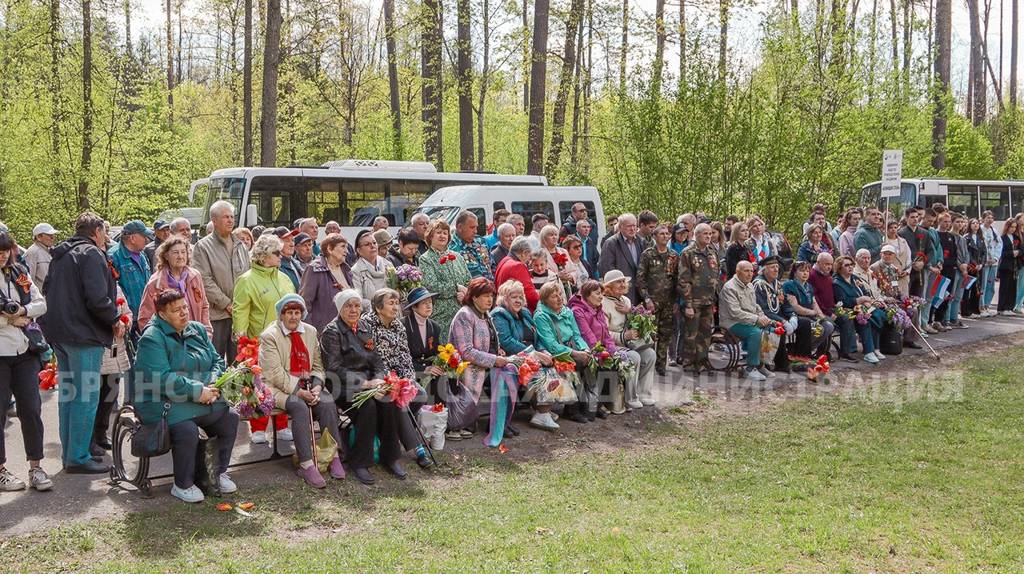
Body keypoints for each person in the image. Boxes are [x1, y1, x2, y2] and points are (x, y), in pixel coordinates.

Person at [132, 290, 239, 503]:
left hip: (199, 396)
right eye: (176, 310)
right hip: (160, 403)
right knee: (186, 428)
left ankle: (217, 472)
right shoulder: (152, 338)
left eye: (185, 307)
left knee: (229, 418)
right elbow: (161, 379)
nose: (183, 313)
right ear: (162, 314)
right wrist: (198, 390)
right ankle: (182, 484)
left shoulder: (197, 329)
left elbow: (218, 361)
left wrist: (211, 384)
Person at [39, 212, 119, 474]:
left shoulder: (61, 255)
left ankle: (71, 453)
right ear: (96, 232)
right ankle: (78, 456)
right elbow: (97, 299)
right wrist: (114, 318)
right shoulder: (91, 254)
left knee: (69, 395)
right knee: (85, 396)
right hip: (83, 334)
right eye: (104, 231)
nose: (106, 236)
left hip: (59, 333)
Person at [259, 294, 344, 487]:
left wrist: (317, 385)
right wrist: (299, 391)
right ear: (281, 315)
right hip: (277, 387)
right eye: (289, 313)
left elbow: (318, 365)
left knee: (328, 402)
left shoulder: (310, 331)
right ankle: (306, 464)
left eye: (297, 312)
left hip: (307, 384)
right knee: (299, 407)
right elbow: (274, 373)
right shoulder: (269, 335)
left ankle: (333, 455)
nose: (293, 317)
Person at [322, 289, 405, 485]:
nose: (353, 310)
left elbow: (377, 361)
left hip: (370, 383)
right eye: (348, 306)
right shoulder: (332, 332)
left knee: (389, 401)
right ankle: (360, 462)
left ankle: (390, 457)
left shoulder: (364, 327)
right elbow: (333, 368)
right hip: (342, 386)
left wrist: (380, 382)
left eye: (357, 306)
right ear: (340, 308)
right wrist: (365, 384)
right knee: (367, 407)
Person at [0, 231, 51, 491]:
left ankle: (36, 466)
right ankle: (1, 470)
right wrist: (7, 320)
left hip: (24, 351)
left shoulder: (18, 271)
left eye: (5, 251)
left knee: (31, 409)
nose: (2, 256)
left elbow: (40, 302)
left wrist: (23, 311)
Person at [232, 233, 295, 444]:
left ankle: (282, 424)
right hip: (257, 342)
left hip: (285, 340)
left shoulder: (284, 277)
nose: (281, 255)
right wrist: (242, 339)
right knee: (257, 386)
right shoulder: (246, 280)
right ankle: (258, 427)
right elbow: (240, 310)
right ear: (262, 255)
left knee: (283, 383)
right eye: (276, 252)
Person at [361, 289, 432, 467]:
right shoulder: (366, 325)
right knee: (398, 401)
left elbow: (405, 356)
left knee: (420, 393)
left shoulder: (398, 325)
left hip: (398, 376)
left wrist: (407, 380)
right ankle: (417, 449)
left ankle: (394, 431)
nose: (396, 307)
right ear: (378, 307)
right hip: (376, 379)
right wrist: (390, 382)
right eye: (391, 303)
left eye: (397, 302)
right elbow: (371, 358)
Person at [449, 278, 519, 447]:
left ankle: (501, 422)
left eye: (491, 296)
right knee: (503, 372)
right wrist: (495, 360)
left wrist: (498, 352)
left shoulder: (485, 314)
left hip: (484, 365)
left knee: (510, 372)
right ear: (473, 297)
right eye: (485, 296)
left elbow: (490, 342)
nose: (490, 300)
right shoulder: (464, 315)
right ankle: (469, 423)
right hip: (466, 367)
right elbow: (466, 351)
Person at [490, 280, 559, 429]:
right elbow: (507, 342)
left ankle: (543, 410)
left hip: (530, 354)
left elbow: (536, 337)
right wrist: (534, 354)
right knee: (540, 370)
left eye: (520, 297)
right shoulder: (499, 315)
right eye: (513, 297)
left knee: (554, 365)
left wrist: (543, 351)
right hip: (511, 357)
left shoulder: (525, 313)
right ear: (503, 298)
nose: (518, 300)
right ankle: (542, 413)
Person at [569, 280, 644, 412]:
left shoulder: (597, 309)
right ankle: (601, 403)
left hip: (602, 348)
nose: (601, 297)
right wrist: (603, 353)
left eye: (601, 294)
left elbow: (607, 337)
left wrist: (613, 351)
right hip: (587, 349)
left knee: (622, 359)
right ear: (587, 295)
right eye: (597, 294)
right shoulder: (577, 311)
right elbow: (588, 336)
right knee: (609, 363)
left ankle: (613, 402)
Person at [194, 200, 251, 358]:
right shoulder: (203, 247)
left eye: (232, 217)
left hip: (240, 314)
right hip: (217, 315)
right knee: (216, 361)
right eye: (226, 217)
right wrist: (226, 304)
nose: (230, 220)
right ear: (214, 220)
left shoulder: (241, 246)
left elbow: (248, 275)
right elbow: (204, 280)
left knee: (240, 363)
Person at [534, 281, 595, 422]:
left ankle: (587, 404)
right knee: (577, 364)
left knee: (590, 361)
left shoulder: (567, 311)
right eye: (554, 296)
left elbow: (576, 335)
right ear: (545, 300)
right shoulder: (541, 316)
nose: (560, 298)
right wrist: (575, 353)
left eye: (560, 294)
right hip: (553, 353)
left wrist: (584, 349)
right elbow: (551, 345)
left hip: (571, 348)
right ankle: (571, 409)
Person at [138, 237, 212, 336]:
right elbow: (145, 318)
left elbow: (204, 305)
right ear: (166, 256)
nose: (180, 256)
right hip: (168, 340)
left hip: (196, 336)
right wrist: (158, 340)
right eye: (175, 252)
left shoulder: (195, 276)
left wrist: (206, 331)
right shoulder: (156, 283)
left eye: (183, 252)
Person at [600, 271, 655, 406]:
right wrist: (623, 336)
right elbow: (603, 333)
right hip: (611, 344)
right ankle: (630, 398)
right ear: (608, 286)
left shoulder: (626, 301)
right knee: (633, 357)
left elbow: (632, 322)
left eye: (623, 281)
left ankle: (644, 393)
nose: (622, 284)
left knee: (650, 354)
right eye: (618, 282)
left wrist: (629, 312)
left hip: (629, 341)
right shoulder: (603, 303)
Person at [676, 223, 721, 372]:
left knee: (706, 333)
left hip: (708, 300)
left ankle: (702, 360)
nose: (708, 236)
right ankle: (689, 363)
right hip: (693, 300)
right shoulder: (688, 253)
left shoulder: (712, 251)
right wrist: (688, 304)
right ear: (696, 235)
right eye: (705, 234)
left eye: (710, 234)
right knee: (691, 334)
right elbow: (684, 280)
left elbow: (716, 273)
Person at [719, 260, 773, 381]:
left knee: (770, 329)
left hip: (747, 320)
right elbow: (735, 312)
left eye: (751, 271)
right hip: (731, 322)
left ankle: (760, 364)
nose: (750, 274)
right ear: (737, 272)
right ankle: (750, 368)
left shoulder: (749, 285)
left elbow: (755, 306)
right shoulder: (730, 287)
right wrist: (756, 319)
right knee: (755, 332)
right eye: (746, 271)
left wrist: (763, 317)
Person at [95, 287, 132, 458]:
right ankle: (91, 438)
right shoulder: (94, 289)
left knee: (111, 393)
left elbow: (127, 311)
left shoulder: (115, 287)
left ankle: (102, 433)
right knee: (96, 396)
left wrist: (125, 322)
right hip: (99, 348)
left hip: (116, 348)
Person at [420, 221, 472, 343]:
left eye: (445, 233)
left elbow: (468, 280)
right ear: (430, 236)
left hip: (462, 310)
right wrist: (456, 289)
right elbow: (431, 286)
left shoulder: (457, 256)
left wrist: (466, 294)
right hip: (441, 314)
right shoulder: (425, 259)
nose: (442, 236)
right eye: (438, 233)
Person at [636, 224, 677, 376]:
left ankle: (661, 365)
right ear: (654, 236)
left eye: (667, 234)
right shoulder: (648, 254)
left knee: (665, 334)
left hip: (668, 302)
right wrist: (646, 298)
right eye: (662, 234)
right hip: (652, 301)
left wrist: (675, 302)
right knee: (650, 335)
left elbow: (676, 279)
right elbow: (640, 279)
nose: (665, 236)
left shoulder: (673, 255)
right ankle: (649, 366)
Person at [832, 256, 885, 364]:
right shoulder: (836, 283)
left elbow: (866, 292)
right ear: (839, 268)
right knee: (865, 320)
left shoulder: (855, 278)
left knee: (878, 314)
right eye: (846, 265)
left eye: (851, 265)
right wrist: (859, 300)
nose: (850, 267)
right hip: (847, 310)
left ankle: (875, 349)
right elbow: (843, 301)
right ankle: (869, 352)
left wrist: (866, 301)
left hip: (862, 307)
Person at [299, 233, 352, 333]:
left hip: (346, 330)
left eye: (347, 247)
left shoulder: (346, 269)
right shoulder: (314, 269)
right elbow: (305, 303)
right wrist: (310, 331)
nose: (347, 251)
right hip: (323, 331)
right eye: (343, 246)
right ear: (329, 249)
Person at [782, 261, 835, 358]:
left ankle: (808, 349)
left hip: (809, 315)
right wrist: (813, 312)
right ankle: (800, 351)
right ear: (794, 272)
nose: (805, 273)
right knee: (819, 329)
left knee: (828, 325)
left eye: (807, 271)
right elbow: (795, 307)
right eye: (802, 271)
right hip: (795, 316)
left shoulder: (808, 286)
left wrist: (821, 316)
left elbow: (814, 302)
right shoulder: (789, 285)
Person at [108, 220, 153, 332]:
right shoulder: (113, 257)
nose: (147, 240)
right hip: (128, 319)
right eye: (144, 236)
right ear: (132, 238)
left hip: (147, 316)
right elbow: (112, 290)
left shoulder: (142, 254)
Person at [752, 256, 794, 372]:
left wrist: (792, 316)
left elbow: (785, 303)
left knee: (804, 323)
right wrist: (783, 321)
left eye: (777, 267)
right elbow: (764, 310)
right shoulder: (759, 284)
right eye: (772, 267)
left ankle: (800, 357)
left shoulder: (776, 283)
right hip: (764, 318)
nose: (776, 270)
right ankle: (781, 363)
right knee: (779, 328)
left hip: (778, 315)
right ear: (764, 269)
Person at [598, 213, 643, 302]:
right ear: (620, 227)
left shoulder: (641, 241)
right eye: (629, 226)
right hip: (620, 292)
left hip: (639, 292)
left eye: (634, 225)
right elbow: (607, 269)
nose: (632, 229)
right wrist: (617, 290)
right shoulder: (611, 243)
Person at [495, 236, 540, 312]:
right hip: (515, 312)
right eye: (529, 256)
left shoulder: (504, 260)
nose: (529, 260)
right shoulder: (517, 266)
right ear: (524, 253)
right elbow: (530, 295)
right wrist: (546, 305)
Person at [404, 287, 442, 373]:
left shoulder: (435, 326)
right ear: (414, 307)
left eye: (430, 302)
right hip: (409, 373)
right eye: (424, 303)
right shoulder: (403, 326)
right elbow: (401, 358)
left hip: (430, 373)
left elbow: (436, 352)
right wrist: (423, 369)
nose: (429, 306)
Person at [450, 210, 493, 280]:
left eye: (476, 227)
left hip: (490, 288)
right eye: (472, 227)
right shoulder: (451, 248)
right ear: (460, 227)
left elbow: (492, 265)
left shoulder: (481, 242)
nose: (475, 231)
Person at [963, 218, 986, 318]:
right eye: (973, 223)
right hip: (970, 267)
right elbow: (967, 252)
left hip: (979, 267)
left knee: (977, 289)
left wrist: (981, 264)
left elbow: (984, 252)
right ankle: (966, 311)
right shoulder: (966, 238)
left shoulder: (980, 238)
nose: (975, 225)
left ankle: (975, 309)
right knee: (968, 289)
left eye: (977, 223)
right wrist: (973, 263)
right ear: (969, 225)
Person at [882, 220, 912, 298]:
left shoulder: (903, 241)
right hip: (890, 275)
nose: (893, 229)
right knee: (892, 297)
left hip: (903, 274)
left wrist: (907, 271)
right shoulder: (884, 241)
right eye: (890, 228)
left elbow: (909, 257)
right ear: (886, 229)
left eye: (895, 227)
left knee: (905, 299)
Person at [24, 222, 58, 288]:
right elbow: (29, 280)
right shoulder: (32, 252)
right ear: (39, 237)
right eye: (49, 235)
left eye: (53, 235)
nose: (53, 238)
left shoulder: (52, 251)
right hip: (41, 296)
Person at [981, 210, 1001, 316]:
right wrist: (985, 259)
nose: (990, 219)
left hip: (993, 262)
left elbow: (999, 245)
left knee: (991, 285)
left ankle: (987, 305)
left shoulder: (995, 231)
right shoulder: (980, 230)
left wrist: (996, 258)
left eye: (991, 218)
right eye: (987, 217)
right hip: (984, 263)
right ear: (983, 218)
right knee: (983, 285)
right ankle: (981, 306)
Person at [998, 219, 1020, 316]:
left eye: (1015, 227)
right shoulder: (1002, 238)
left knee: (1012, 287)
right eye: (1011, 227)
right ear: (1007, 226)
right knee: (1004, 287)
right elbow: (1000, 252)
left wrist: (1018, 252)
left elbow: (1021, 249)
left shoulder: (1016, 237)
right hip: (1005, 266)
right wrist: (1011, 253)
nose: (1013, 229)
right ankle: (1002, 307)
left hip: (1015, 266)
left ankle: (1010, 307)